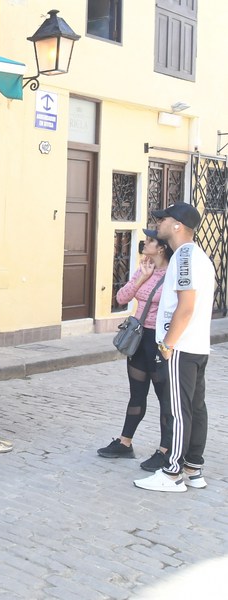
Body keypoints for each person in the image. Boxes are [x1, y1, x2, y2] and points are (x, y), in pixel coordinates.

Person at [135, 203, 215, 493]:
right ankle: (193, 469)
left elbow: (186, 305)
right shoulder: (200, 257)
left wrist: (167, 344)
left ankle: (172, 474)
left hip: (181, 345)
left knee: (178, 411)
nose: (160, 222)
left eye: (165, 218)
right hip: (196, 344)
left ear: (178, 225)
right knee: (195, 407)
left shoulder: (184, 256)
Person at [97, 231, 172, 464]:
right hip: (139, 338)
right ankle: (125, 442)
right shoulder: (144, 268)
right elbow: (121, 297)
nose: (145, 243)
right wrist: (142, 278)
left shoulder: (173, 274)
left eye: (150, 240)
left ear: (161, 248)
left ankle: (166, 450)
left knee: (165, 398)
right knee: (137, 394)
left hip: (159, 340)